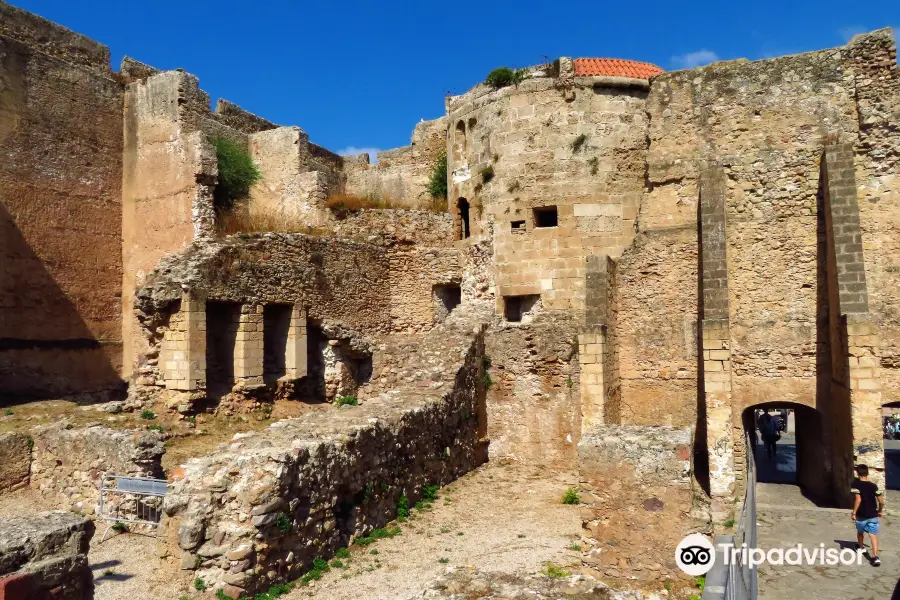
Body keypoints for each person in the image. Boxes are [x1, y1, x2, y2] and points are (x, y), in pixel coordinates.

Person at [851, 464, 884, 567]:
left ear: (857, 473)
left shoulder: (855, 485)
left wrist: (854, 512)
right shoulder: (873, 486)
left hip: (862, 514)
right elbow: (881, 500)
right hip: (873, 514)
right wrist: (879, 510)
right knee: (873, 535)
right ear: (867, 473)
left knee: (860, 532)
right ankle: (875, 557)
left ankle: (861, 548)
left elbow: (858, 499)